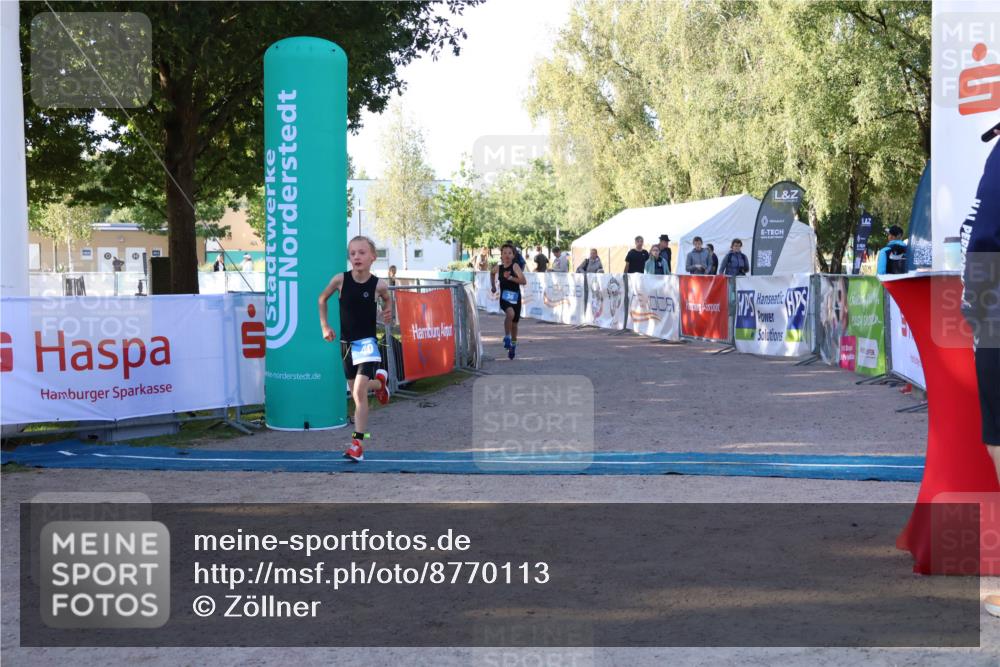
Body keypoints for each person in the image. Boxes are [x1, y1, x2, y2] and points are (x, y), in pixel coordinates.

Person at [318, 236, 392, 462]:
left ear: (372, 257)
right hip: (346, 345)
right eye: (352, 253)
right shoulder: (340, 280)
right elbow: (322, 299)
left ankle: (357, 444)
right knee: (355, 390)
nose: (357, 257)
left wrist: (388, 311)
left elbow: (388, 300)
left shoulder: (379, 284)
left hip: (367, 344)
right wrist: (325, 326)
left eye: (361, 253)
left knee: (359, 393)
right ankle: (380, 383)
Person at [490, 243, 527, 360]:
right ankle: (507, 337)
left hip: (516, 298)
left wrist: (511, 278)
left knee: (515, 324)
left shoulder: (515, 267)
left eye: (509, 253)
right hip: (504, 298)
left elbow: (523, 281)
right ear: (501, 255)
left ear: (513, 255)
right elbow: (492, 273)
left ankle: (513, 345)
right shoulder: (498, 268)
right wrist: (493, 286)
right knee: (510, 314)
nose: (507, 255)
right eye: (504, 253)